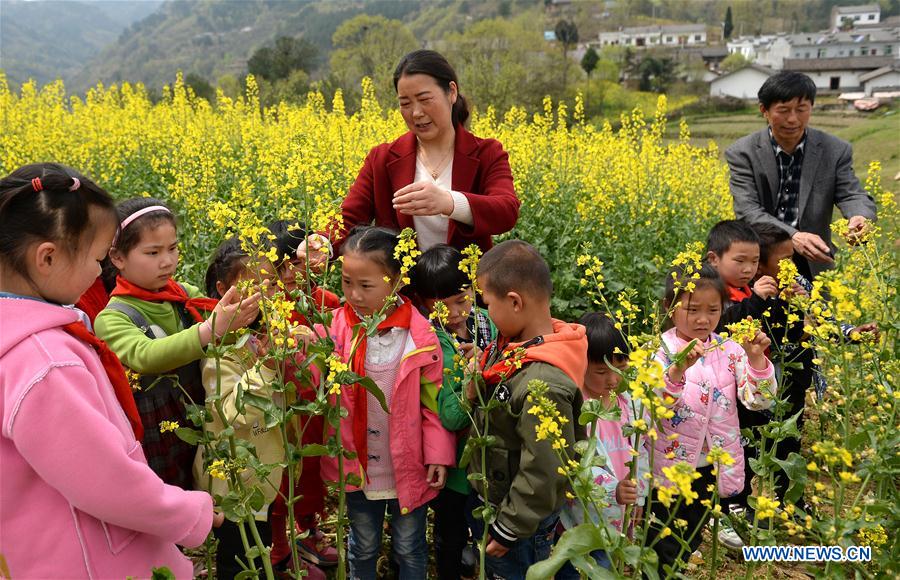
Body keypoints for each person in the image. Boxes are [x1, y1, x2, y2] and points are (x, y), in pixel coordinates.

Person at [0, 163, 218, 577]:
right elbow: (105, 481)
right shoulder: (46, 362)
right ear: (47, 257)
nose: (99, 275)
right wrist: (191, 514)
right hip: (90, 558)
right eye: (98, 260)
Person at [317, 226, 456, 580]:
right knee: (362, 545)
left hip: (408, 466)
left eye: (366, 286)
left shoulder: (420, 336)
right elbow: (314, 381)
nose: (354, 294)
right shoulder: (336, 329)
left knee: (410, 547)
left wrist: (438, 453)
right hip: (360, 468)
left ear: (396, 281)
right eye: (347, 282)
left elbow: (433, 402)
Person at [95, 197, 260, 489]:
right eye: (153, 252)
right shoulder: (113, 317)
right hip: (158, 431)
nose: (167, 261)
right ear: (117, 258)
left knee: (211, 488)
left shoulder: (185, 295)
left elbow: (226, 334)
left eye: (172, 248)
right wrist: (211, 329)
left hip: (205, 415)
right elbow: (146, 355)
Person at [297, 49, 520, 265]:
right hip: (402, 296)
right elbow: (349, 218)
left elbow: (506, 211)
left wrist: (448, 202)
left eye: (424, 99)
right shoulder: (382, 158)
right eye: (405, 103)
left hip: (466, 294)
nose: (416, 113)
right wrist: (321, 241)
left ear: (451, 92)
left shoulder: (487, 153)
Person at [466, 240, 587, 580]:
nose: (484, 312)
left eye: (487, 303)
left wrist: (509, 526)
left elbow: (547, 465)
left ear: (515, 302)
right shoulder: (518, 345)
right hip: (505, 504)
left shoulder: (544, 382)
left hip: (519, 521)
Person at [646, 264, 776, 575]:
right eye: (692, 309)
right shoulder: (660, 351)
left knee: (690, 537)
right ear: (669, 307)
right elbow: (651, 405)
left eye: (713, 310)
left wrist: (756, 359)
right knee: (662, 546)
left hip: (711, 468)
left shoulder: (730, 350)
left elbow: (758, 400)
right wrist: (677, 370)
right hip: (668, 467)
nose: (703, 319)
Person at [727, 70, 877, 279]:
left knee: (818, 312)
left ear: (811, 108)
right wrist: (793, 236)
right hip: (760, 261)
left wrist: (859, 217)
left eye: (801, 109)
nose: (793, 119)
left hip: (814, 261)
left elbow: (851, 194)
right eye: (783, 110)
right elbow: (747, 210)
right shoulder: (743, 152)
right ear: (765, 110)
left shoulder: (834, 150)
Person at [411, 243, 497, 580]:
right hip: (454, 467)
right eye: (441, 307)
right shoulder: (430, 339)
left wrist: (486, 358)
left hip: (486, 463)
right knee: (450, 535)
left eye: (462, 300)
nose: (455, 313)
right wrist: (470, 382)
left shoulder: (489, 322)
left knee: (482, 536)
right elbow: (451, 416)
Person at [264, 220, 338, 573]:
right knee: (281, 475)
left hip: (315, 404)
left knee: (311, 470)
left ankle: (309, 528)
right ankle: (279, 541)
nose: (291, 273)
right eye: (281, 266)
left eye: (297, 263)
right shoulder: (262, 304)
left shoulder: (323, 300)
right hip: (280, 405)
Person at [557, 313, 649, 577]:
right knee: (572, 568)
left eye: (620, 370)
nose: (612, 380)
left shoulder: (630, 404)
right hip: (581, 517)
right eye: (601, 371)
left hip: (620, 513)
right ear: (579, 364)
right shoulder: (577, 407)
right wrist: (612, 490)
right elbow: (577, 464)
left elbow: (640, 452)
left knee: (607, 566)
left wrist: (638, 493)